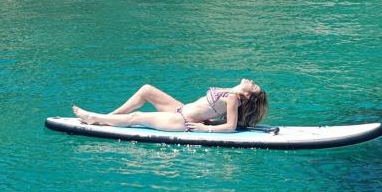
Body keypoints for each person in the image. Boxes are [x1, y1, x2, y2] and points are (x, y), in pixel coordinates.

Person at [72, 78, 268, 132]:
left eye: (254, 85)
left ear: (248, 94)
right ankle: (111, 117)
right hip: (180, 109)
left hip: (182, 120)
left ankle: (94, 118)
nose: (251, 80)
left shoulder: (234, 98)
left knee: (137, 117)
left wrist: (203, 128)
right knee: (146, 89)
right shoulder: (232, 92)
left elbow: (230, 126)